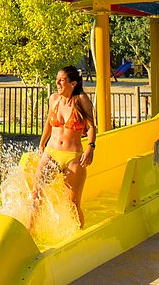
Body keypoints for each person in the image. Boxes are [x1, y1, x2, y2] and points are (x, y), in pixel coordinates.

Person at [30, 65, 97, 228]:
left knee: (72, 203)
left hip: (73, 158)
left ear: (73, 83)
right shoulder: (54, 99)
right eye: (57, 79)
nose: (58, 83)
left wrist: (90, 147)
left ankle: (79, 234)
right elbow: (48, 123)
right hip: (51, 152)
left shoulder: (81, 100)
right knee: (36, 194)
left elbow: (91, 126)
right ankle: (30, 232)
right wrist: (42, 143)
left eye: (62, 80)